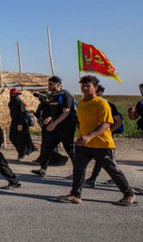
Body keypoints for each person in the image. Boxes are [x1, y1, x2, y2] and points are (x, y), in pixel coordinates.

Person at [56, 75, 136, 206]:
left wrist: (89, 136)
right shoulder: (81, 103)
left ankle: (129, 194)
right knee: (79, 168)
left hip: (102, 143)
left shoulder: (102, 103)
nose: (85, 88)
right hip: (84, 144)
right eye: (83, 86)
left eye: (88, 86)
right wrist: (82, 137)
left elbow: (106, 124)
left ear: (95, 88)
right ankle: (75, 194)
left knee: (112, 170)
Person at [31, 76, 76, 177]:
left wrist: (54, 123)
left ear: (59, 85)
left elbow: (66, 112)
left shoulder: (66, 95)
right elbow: (54, 111)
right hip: (55, 128)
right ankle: (43, 169)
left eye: (51, 84)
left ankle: (77, 172)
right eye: (48, 84)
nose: (49, 86)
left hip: (66, 127)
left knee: (70, 150)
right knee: (47, 147)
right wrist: (50, 119)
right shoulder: (53, 96)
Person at [85, 85, 124, 188]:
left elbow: (119, 122)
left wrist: (109, 131)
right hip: (92, 136)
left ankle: (118, 181)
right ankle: (87, 177)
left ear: (99, 92)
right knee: (100, 158)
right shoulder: (89, 104)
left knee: (105, 160)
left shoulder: (108, 105)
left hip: (104, 137)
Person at [8, 89, 37, 161]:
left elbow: (22, 113)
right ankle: (24, 151)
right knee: (12, 137)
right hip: (14, 122)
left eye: (16, 94)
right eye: (13, 94)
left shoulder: (19, 102)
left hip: (21, 122)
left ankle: (21, 154)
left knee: (21, 139)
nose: (15, 95)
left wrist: (20, 124)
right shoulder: (11, 102)